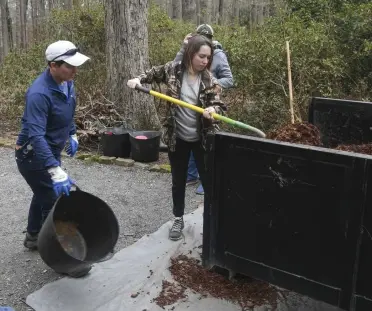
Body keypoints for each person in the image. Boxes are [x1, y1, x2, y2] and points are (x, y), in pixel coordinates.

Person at [127, 35, 226, 241]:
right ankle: (178, 218)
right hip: (177, 138)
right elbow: (152, 73)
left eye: (208, 58)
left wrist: (212, 109)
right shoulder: (173, 70)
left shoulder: (210, 81)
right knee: (178, 181)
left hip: (202, 140)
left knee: (209, 182)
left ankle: (212, 221)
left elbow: (220, 108)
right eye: (201, 56)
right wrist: (138, 80)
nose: (205, 61)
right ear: (191, 53)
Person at [15, 40, 89, 260]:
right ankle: (62, 258)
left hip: (50, 150)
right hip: (33, 155)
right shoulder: (39, 93)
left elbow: (68, 108)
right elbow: (36, 135)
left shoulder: (67, 82)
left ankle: (33, 236)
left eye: (76, 65)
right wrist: (54, 169)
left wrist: (72, 132)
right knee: (54, 203)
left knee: (42, 194)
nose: (75, 70)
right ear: (53, 65)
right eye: (69, 66)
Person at [174, 24, 234, 195]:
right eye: (201, 36)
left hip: (209, 104)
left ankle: (204, 180)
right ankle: (191, 176)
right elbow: (174, 68)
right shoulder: (189, 51)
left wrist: (209, 84)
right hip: (189, 103)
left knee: (205, 143)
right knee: (191, 138)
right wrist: (183, 48)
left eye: (208, 37)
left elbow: (229, 80)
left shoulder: (218, 55)